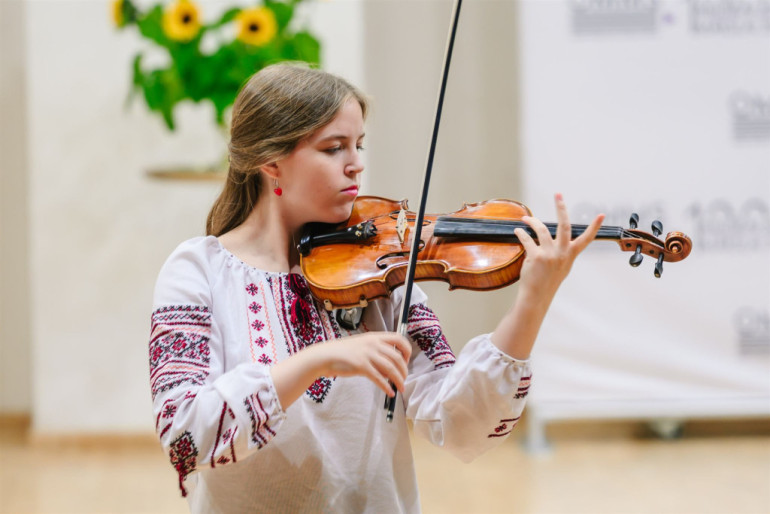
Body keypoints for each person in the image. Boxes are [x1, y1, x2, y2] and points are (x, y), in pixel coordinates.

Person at [149, 63, 603, 513]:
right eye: (334, 148)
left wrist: (533, 301)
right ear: (270, 162)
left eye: (360, 144)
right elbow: (185, 437)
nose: (356, 164)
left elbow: (458, 420)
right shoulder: (197, 271)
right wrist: (317, 360)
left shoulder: (380, 273)